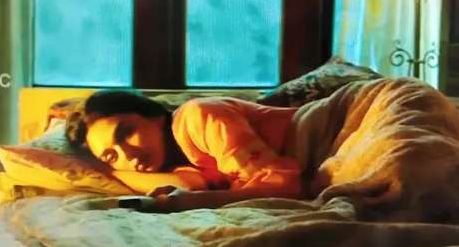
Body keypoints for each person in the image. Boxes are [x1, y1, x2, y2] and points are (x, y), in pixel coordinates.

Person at [65, 89, 302, 212]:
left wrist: (194, 202)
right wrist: (108, 171)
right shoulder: (177, 159)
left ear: (154, 116)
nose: (128, 155)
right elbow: (189, 185)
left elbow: (284, 186)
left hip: (321, 130)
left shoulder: (197, 116)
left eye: (126, 133)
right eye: (111, 156)